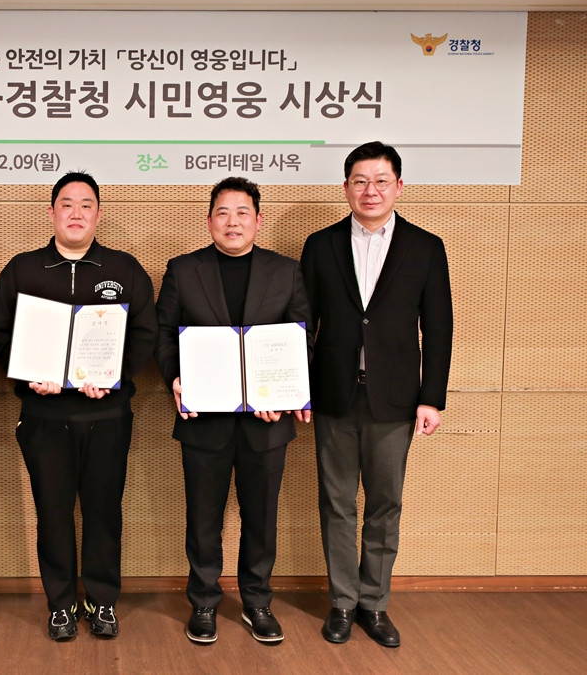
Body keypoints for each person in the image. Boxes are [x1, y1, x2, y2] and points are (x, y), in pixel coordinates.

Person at [0, 171, 157, 641]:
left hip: (107, 415)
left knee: (104, 512)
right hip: (44, 417)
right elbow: (0, 336)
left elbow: (144, 334)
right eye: (67, 204)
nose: (76, 213)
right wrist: (27, 377)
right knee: (52, 513)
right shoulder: (22, 270)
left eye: (86, 205)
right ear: (52, 213)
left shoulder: (124, 269)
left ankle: (102, 600)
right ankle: (60, 604)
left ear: (98, 214)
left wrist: (112, 377)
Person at [300, 141, 453, 648]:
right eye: (360, 181)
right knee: (337, 502)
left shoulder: (426, 247)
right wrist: (299, 390)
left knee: (385, 503)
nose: (371, 190)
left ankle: (374, 603)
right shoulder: (320, 245)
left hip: (396, 399)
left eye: (381, 181)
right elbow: (304, 325)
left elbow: (439, 328)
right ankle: (343, 603)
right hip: (333, 395)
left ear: (399, 187)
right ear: (345, 187)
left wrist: (431, 398)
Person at [154, 177, 313, 645]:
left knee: (261, 519)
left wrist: (280, 394)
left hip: (267, 423)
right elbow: (164, 333)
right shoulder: (184, 270)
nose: (232, 222)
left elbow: (302, 338)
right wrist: (174, 378)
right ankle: (203, 602)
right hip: (204, 419)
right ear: (209, 221)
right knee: (203, 519)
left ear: (258, 220)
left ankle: (257, 602)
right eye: (222, 213)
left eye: (242, 212)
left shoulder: (285, 271)